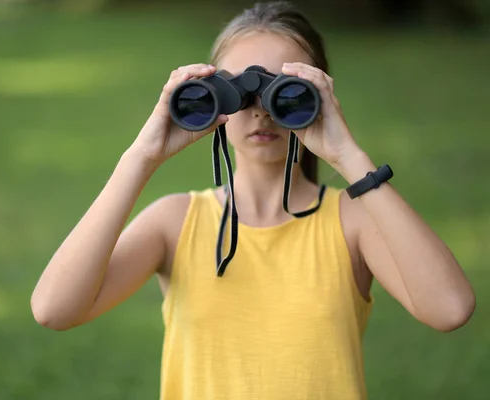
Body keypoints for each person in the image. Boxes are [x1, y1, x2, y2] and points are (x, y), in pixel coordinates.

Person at [30, 1, 476, 399]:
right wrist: (141, 158)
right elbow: (54, 309)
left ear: (321, 96)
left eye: (283, 89)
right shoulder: (175, 222)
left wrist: (348, 155)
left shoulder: (351, 222)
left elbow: (450, 308)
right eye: (240, 91)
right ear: (211, 94)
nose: (261, 110)